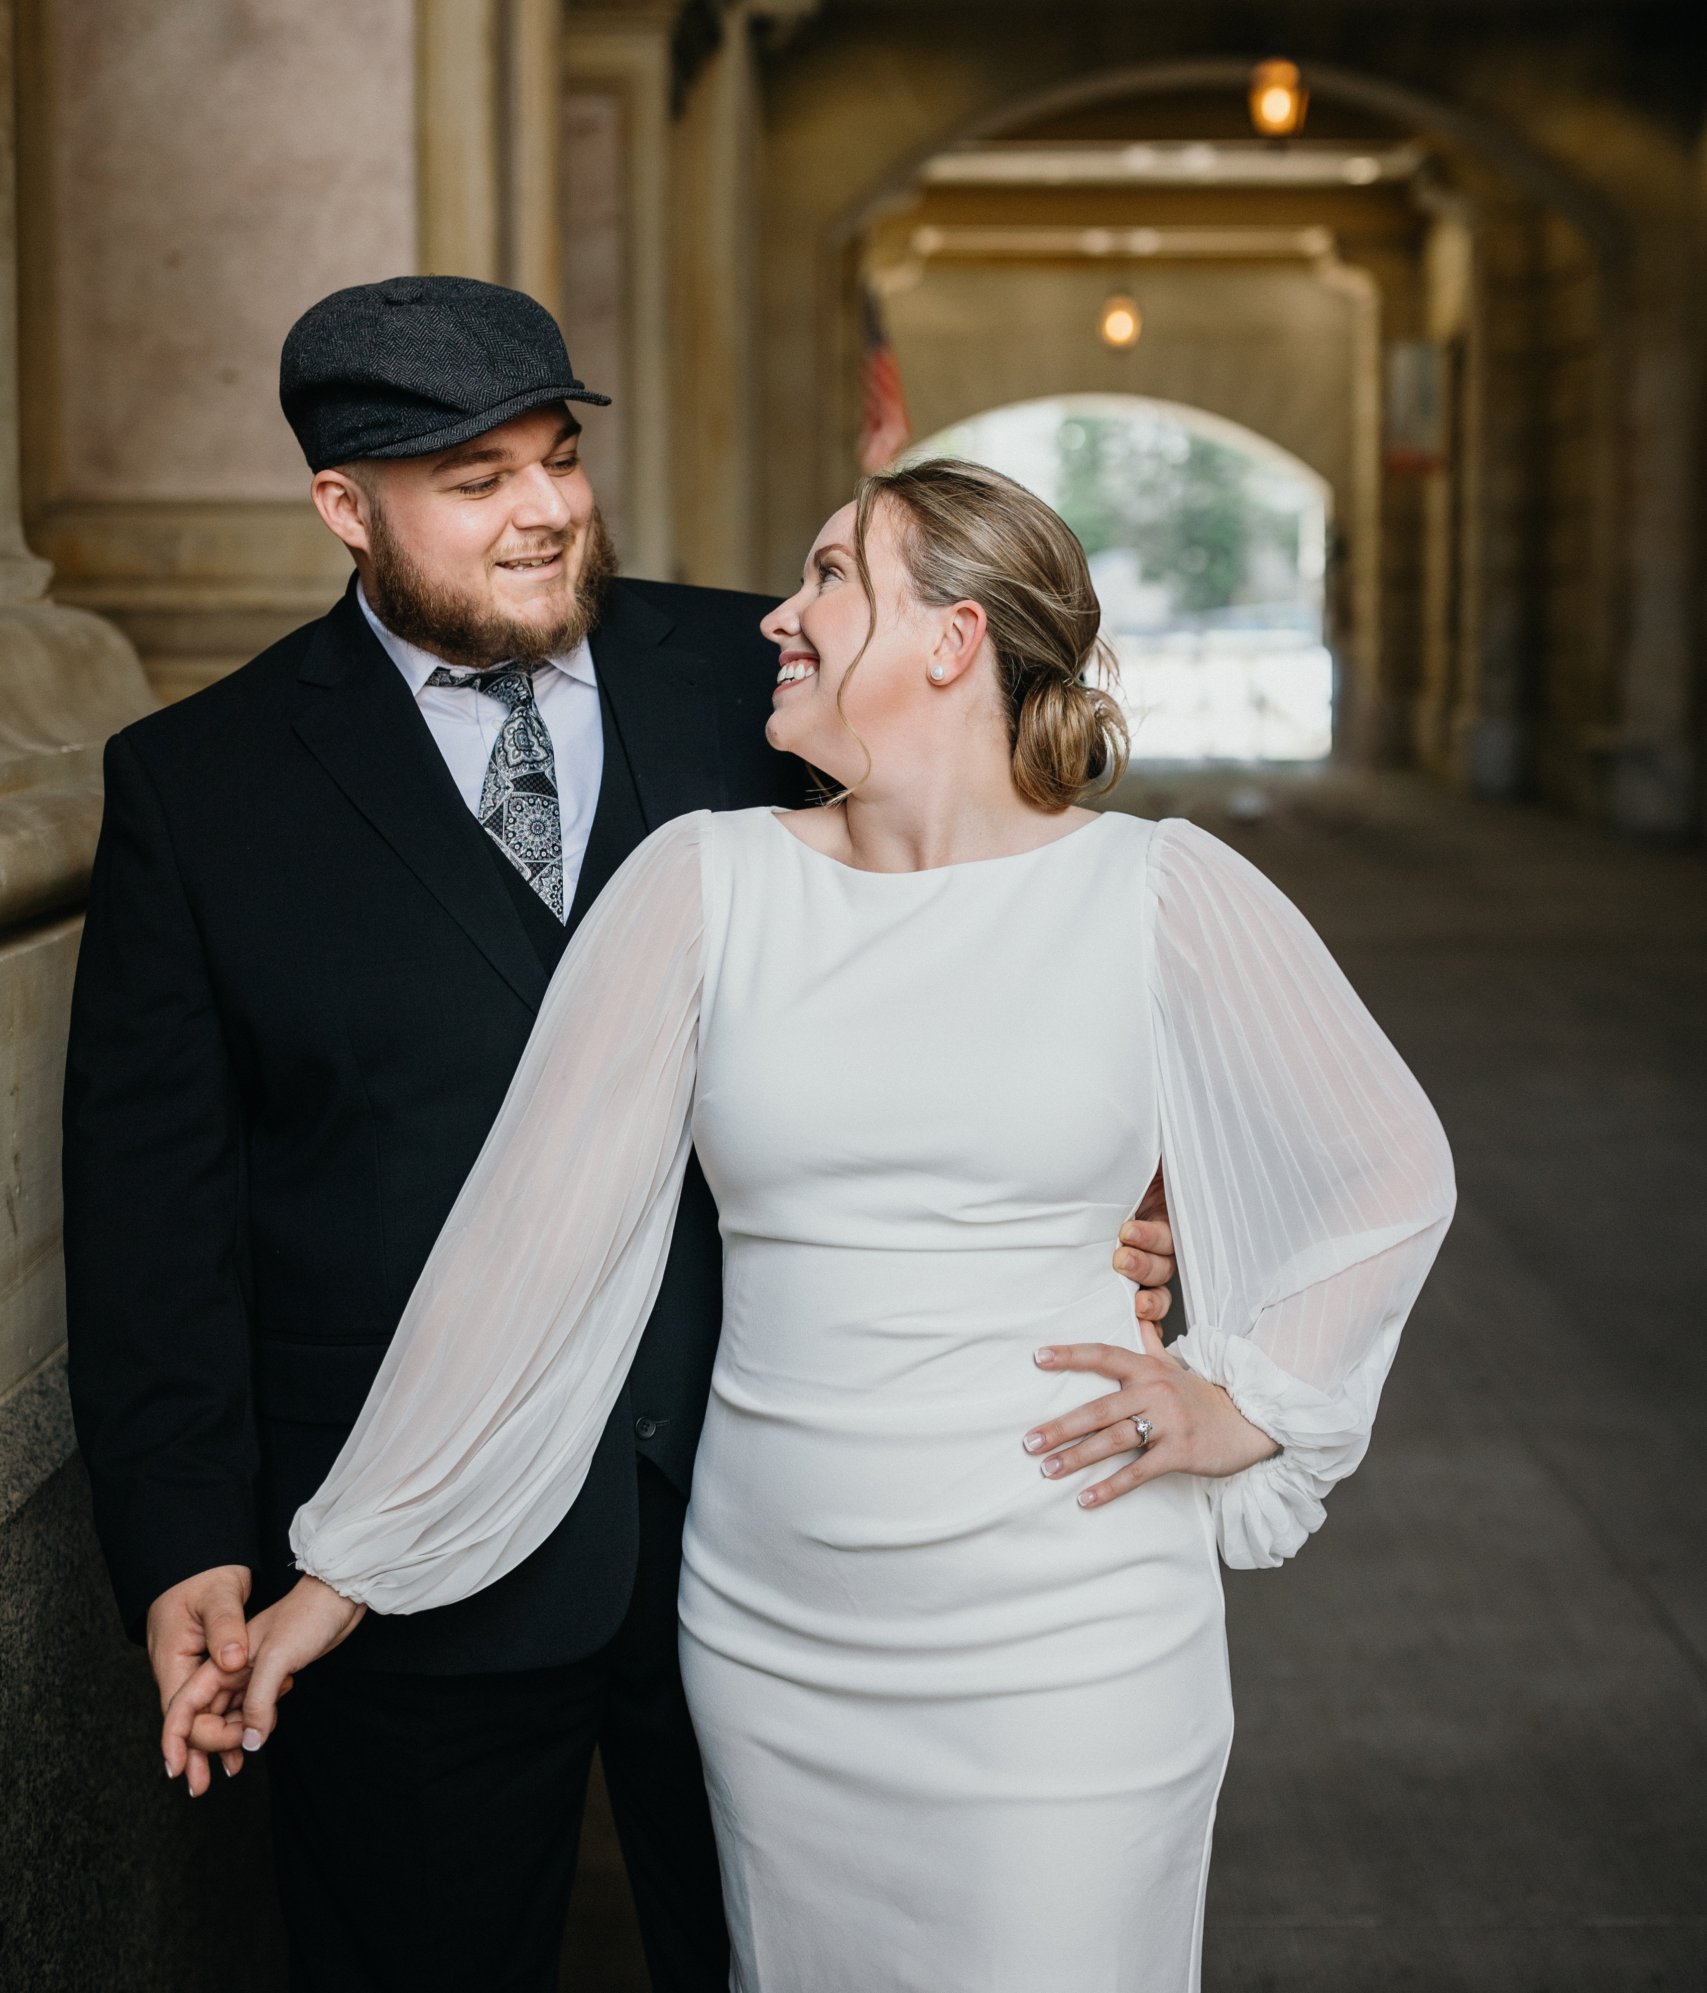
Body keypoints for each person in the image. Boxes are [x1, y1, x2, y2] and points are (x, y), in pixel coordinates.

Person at [173, 457, 1455, 1992]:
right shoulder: (700, 885)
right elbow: (528, 1253)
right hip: (775, 1621)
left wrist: (1249, 1401)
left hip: (1072, 1622)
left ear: (953, 639)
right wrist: (339, 1581)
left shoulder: (1161, 890)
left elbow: (1385, 1169)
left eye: (833, 576)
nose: (779, 615)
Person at [64, 280, 1178, 1993]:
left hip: (786, 1530)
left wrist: (1138, 1220)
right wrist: (190, 1542)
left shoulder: (784, 673)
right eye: (473, 480)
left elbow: (1030, 947)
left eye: (558, 460)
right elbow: (157, 1222)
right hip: (405, 1552)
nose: (542, 514)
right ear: (345, 510)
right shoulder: (199, 790)